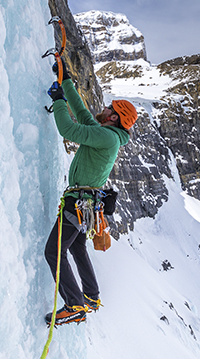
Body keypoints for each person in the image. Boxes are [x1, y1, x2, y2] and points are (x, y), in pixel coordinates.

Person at [44, 59, 136, 325]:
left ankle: (74, 304)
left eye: (109, 108)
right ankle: (91, 295)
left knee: (54, 251)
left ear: (115, 117)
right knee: (77, 247)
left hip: (79, 204)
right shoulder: (104, 132)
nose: (104, 108)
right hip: (85, 204)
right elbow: (82, 112)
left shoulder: (107, 137)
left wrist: (58, 101)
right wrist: (66, 81)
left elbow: (68, 129)